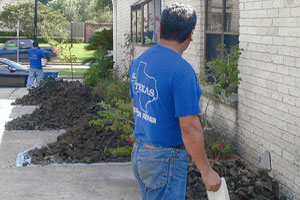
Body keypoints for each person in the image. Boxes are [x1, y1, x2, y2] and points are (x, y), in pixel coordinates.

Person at [129, 3, 221, 200]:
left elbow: (135, 105)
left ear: (161, 28)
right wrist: (206, 171)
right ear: (190, 34)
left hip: (141, 153)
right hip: (164, 160)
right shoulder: (181, 71)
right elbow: (189, 127)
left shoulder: (139, 62)